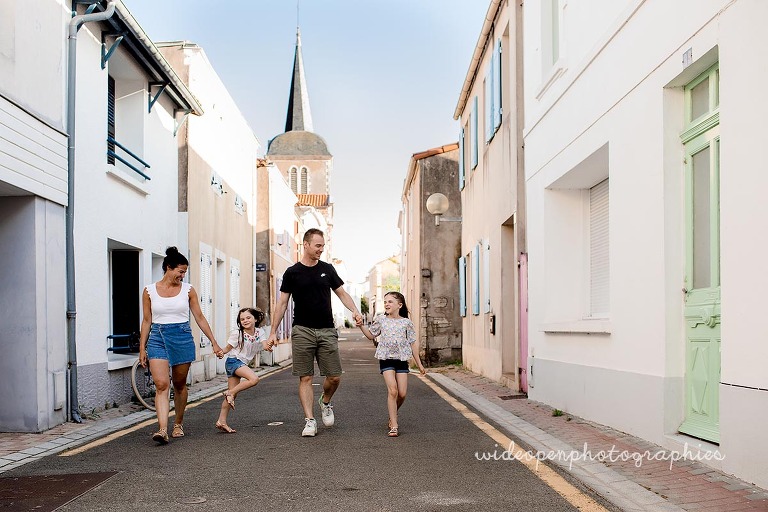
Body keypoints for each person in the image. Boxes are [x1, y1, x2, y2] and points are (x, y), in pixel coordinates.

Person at [264, 228, 363, 437]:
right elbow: (282, 303)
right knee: (305, 377)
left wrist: (354, 310)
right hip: (302, 330)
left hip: (326, 329)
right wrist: (273, 332)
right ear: (306, 245)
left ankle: (325, 401)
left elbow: (342, 294)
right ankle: (309, 420)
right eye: (318, 246)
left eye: (323, 246)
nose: (321, 249)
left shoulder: (327, 269)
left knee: (334, 377)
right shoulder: (292, 272)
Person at [138, 246, 223, 444]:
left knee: (179, 384)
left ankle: (178, 422)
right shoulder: (149, 291)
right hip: (157, 337)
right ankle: (162, 429)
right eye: (181, 271)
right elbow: (147, 321)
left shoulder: (188, 290)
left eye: (184, 272)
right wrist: (142, 347)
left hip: (182, 336)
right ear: (169, 267)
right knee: (161, 384)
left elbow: (200, 317)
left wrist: (214, 342)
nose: (183, 275)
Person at [359, 291, 425, 437]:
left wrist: (419, 364)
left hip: (402, 360)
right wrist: (360, 326)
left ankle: (392, 414)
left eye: (390, 302)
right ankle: (394, 425)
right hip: (386, 358)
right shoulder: (381, 320)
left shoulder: (406, 323)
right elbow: (371, 335)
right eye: (385, 301)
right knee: (393, 391)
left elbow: (413, 344)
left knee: (402, 394)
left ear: (399, 305)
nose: (387, 304)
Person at [215, 307, 266, 433]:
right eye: (242, 319)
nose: (245, 320)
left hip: (240, 363)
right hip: (233, 361)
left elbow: (265, 344)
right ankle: (229, 393)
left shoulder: (260, 332)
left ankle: (221, 421)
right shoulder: (237, 333)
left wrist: (269, 346)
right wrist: (221, 352)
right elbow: (228, 348)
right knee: (254, 379)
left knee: (234, 394)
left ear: (255, 319)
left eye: (248, 318)